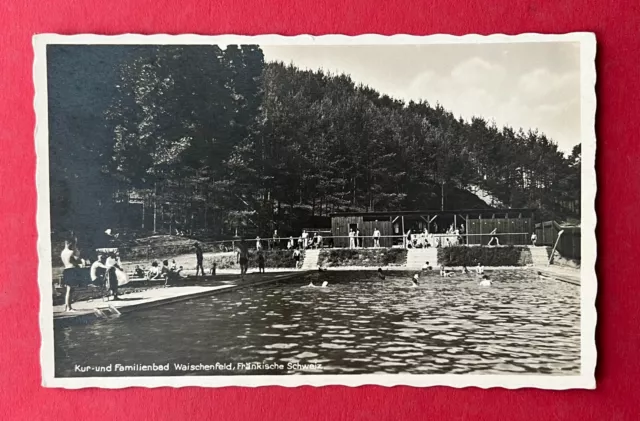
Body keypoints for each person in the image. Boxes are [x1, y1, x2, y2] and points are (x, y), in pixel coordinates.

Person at [60, 240, 84, 312]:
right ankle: (69, 308)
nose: (72, 246)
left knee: (69, 289)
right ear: (69, 244)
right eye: (72, 244)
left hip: (66, 270)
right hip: (71, 270)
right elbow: (78, 260)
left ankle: (66, 306)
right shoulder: (71, 252)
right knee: (70, 290)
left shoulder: (62, 252)